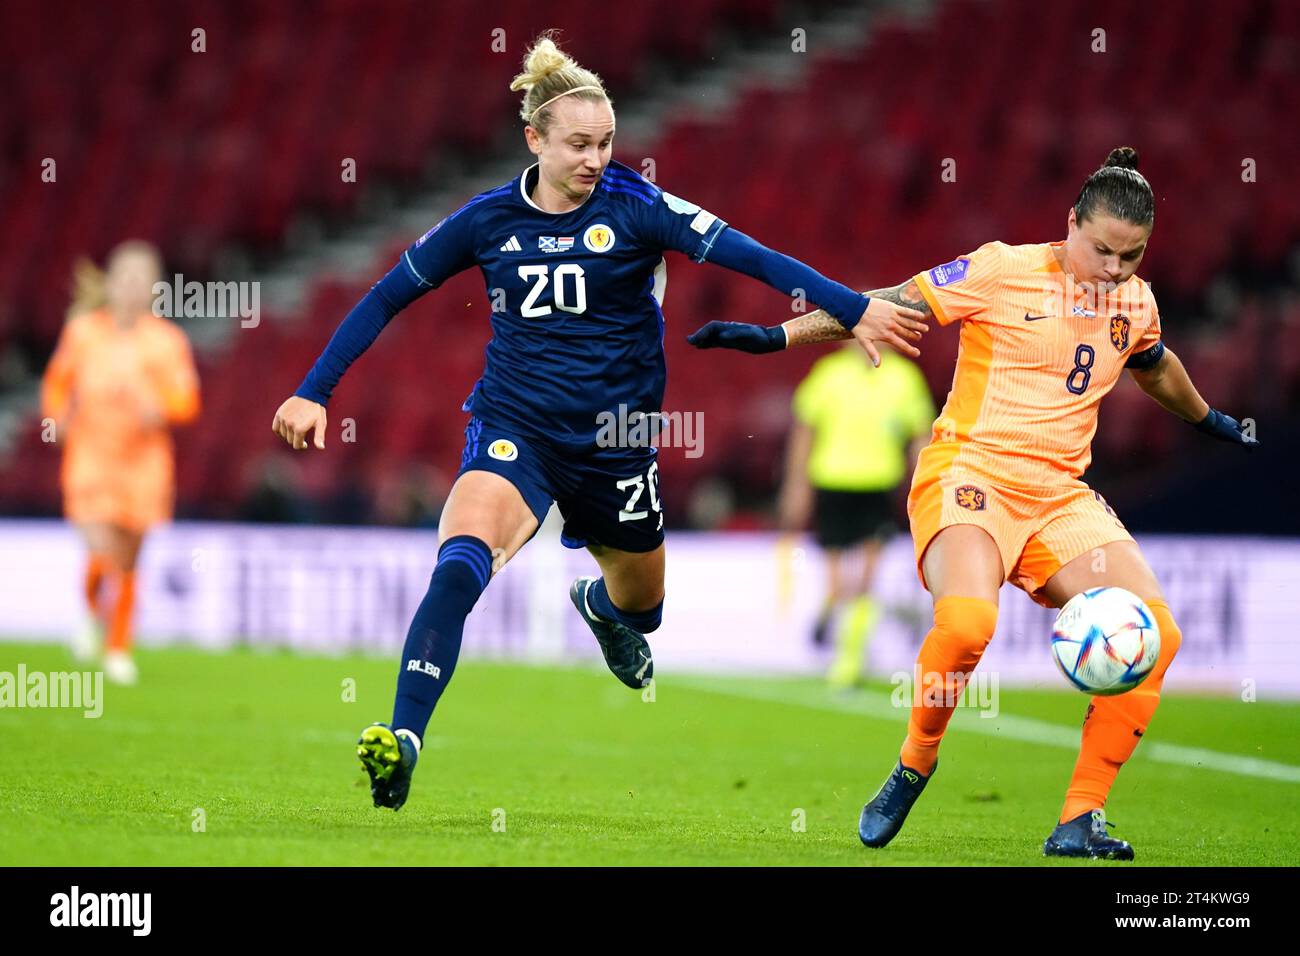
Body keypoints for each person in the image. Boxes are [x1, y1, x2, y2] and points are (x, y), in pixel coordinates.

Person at [270, 34, 927, 811]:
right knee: (463, 551)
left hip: (617, 442)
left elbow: (752, 257)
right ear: (535, 141)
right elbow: (385, 294)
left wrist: (854, 310)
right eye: (578, 143)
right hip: (518, 427)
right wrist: (316, 389)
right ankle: (405, 736)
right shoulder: (486, 222)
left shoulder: (639, 207)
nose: (594, 157)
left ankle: (604, 610)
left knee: (644, 610)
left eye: (606, 142)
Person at [688, 147, 1258, 859]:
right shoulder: (1001, 270)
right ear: (1070, 223)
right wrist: (776, 337)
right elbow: (882, 306)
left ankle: (1079, 819)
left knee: (1158, 636)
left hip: (1060, 495)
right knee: (965, 625)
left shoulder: (1135, 303)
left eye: (1132, 256)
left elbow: (1155, 364)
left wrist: (1207, 419)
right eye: (1103, 250)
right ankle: (915, 763)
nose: (1114, 270)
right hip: (971, 473)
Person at [41, 241, 201, 685]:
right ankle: (96, 619)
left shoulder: (168, 341)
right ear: (110, 284)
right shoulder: (83, 332)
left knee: (129, 559)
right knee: (99, 545)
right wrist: (56, 419)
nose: (131, 288)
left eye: (141, 280)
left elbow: (187, 401)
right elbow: (56, 384)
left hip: (144, 462)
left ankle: (117, 646)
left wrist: (162, 408)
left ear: (154, 288)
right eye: (124, 278)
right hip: (91, 456)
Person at [778, 345, 934, 687]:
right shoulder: (829, 373)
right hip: (833, 482)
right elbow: (805, 429)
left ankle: (847, 661)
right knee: (836, 582)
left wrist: (922, 481)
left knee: (866, 575)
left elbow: (921, 432)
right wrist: (797, 484)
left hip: (877, 484)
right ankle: (832, 614)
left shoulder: (903, 378)